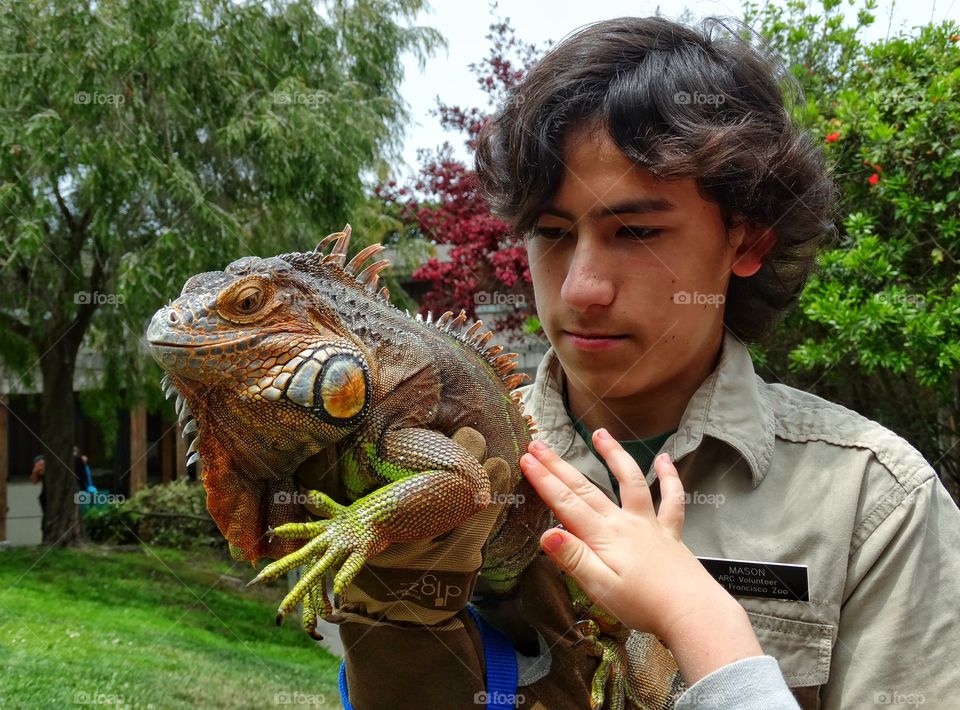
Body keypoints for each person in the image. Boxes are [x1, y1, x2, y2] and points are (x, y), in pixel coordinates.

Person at [337, 15, 960, 709]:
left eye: (635, 231)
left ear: (746, 241)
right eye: (550, 233)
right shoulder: (439, 461)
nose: (581, 288)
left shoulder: (872, 504)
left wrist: (699, 624)